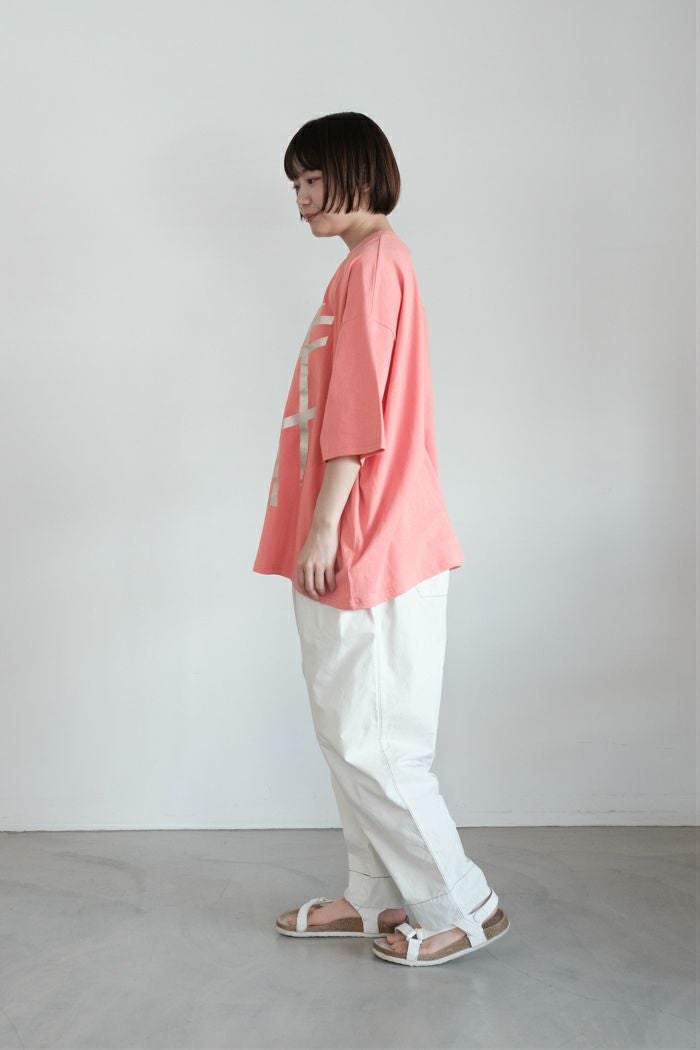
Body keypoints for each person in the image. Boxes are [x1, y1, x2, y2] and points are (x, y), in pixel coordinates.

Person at [252, 111, 510, 967]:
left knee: (374, 741)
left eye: (311, 179)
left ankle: (460, 903)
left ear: (357, 171)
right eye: (293, 184)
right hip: (372, 533)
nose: (300, 199)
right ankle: (371, 896)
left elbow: (356, 415)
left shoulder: (373, 268)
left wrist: (326, 524)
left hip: (367, 539)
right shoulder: (368, 265)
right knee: (350, 733)